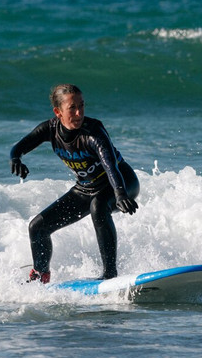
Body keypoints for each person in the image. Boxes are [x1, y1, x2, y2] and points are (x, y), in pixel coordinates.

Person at [9, 84, 139, 283]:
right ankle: (40, 275)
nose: (79, 113)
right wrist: (16, 159)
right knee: (37, 227)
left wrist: (120, 194)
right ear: (58, 112)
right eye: (72, 108)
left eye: (82, 106)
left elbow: (110, 165)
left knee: (99, 206)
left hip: (121, 181)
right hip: (86, 187)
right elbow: (18, 147)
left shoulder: (93, 132)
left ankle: (110, 274)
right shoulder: (50, 129)